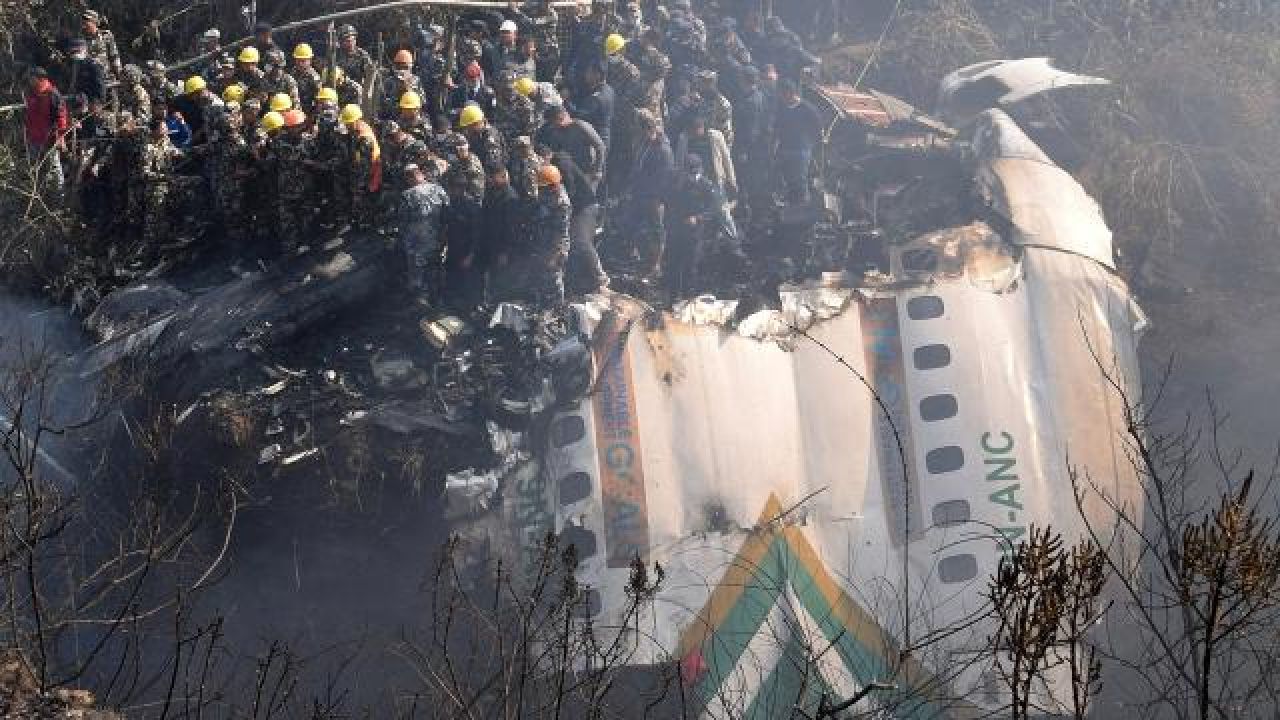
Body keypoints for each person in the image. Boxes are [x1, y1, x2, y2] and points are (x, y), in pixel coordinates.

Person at [549, 150, 608, 292]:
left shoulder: (562, 164)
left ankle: (601, 277)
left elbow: (571, 189)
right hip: (579, 207)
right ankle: (580, 277)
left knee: (582, 242)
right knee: (573, 242)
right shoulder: (558, 163)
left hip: (585, 206)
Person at [624, 108, 672, 280]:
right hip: (639, 193)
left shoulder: (663, 150)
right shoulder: (644, 144)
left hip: (654, 198)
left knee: (656, 232)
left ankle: (655, 266)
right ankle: (636, 258)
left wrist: (658, 199)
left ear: (650, 130)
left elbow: (665, 178)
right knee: (633, 225)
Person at [398, 163, 450, 299]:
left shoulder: (407, 196)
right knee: (437, 270)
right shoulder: (439, 189)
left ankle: (420, 304)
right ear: (421, 174)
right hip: (438, 240)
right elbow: (448, 213)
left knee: (418, 277)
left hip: (417, 245)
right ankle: (439, 299)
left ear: (409, 178)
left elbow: (403, 222)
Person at [527, 163, 572, 305]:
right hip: (543, 242)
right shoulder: (547, 195)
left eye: (543, 188)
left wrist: (554, 255)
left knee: (553, 279)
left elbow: (560, 232)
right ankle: (541, 304)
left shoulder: (561, 203)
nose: (540, 190)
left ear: (553, 186)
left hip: (555, 247)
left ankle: (557, 309)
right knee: (540, 278)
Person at [535, 104, 605, 193]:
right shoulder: (555, 131)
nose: (559, 124)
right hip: (574, 170)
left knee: (589, 196)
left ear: (566, 115)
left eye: (561, 119)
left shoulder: (581, 126)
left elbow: (600, 146)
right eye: (556, 122)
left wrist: (597, 170)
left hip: (589, 170)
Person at [773, 78, 821, 204]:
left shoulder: (808, 109)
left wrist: (810, 143)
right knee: (787, 180)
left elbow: (817, 128)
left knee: (800, 181)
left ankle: (803, 209)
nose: (780, 97)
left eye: (782, 93)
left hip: (801, 150)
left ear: (789, 92)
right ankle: (790, 209)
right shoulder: (782, 108)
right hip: (784, 149)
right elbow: (777, 127)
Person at [23, 68, 68, 194]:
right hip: (34, 138)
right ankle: (41, 194)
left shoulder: (53, 94)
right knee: (37, 168)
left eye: (32, 78)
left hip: (49, 139)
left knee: (54, 168)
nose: (30, 80)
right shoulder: (31, 93)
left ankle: (60, 195)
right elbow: (29, 116)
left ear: (40, 78)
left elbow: (61, 117)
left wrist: (60, 137)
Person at [339, 104, 382, 228]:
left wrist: (357, 185)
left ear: (357, 120)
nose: (346, 126)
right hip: (366, 168)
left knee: (362, 197)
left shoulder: (364, 139)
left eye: (349, 123)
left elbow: (363, 167)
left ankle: (364, 223)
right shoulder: (360, 127)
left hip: (370, 171)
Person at [81, 10, 121, 82]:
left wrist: (119, 76)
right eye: (83, 22)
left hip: (107, 78)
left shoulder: (106, 36)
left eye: (87, 22)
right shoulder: (82, 39)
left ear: (94, 22)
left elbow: (114, 56)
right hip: (90, 79)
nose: (84, 25)